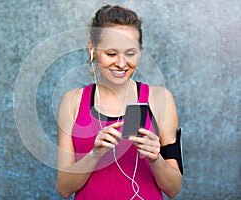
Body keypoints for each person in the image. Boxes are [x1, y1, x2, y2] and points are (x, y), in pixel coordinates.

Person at [55, 4, 183, 200]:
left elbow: (174, 189)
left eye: (130, 53)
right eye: (111, 54)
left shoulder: (160, 99)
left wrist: (155, 158)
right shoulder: (72, 101)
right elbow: (63, 188)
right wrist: (95, 155)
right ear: (92, 50)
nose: (122, 64)